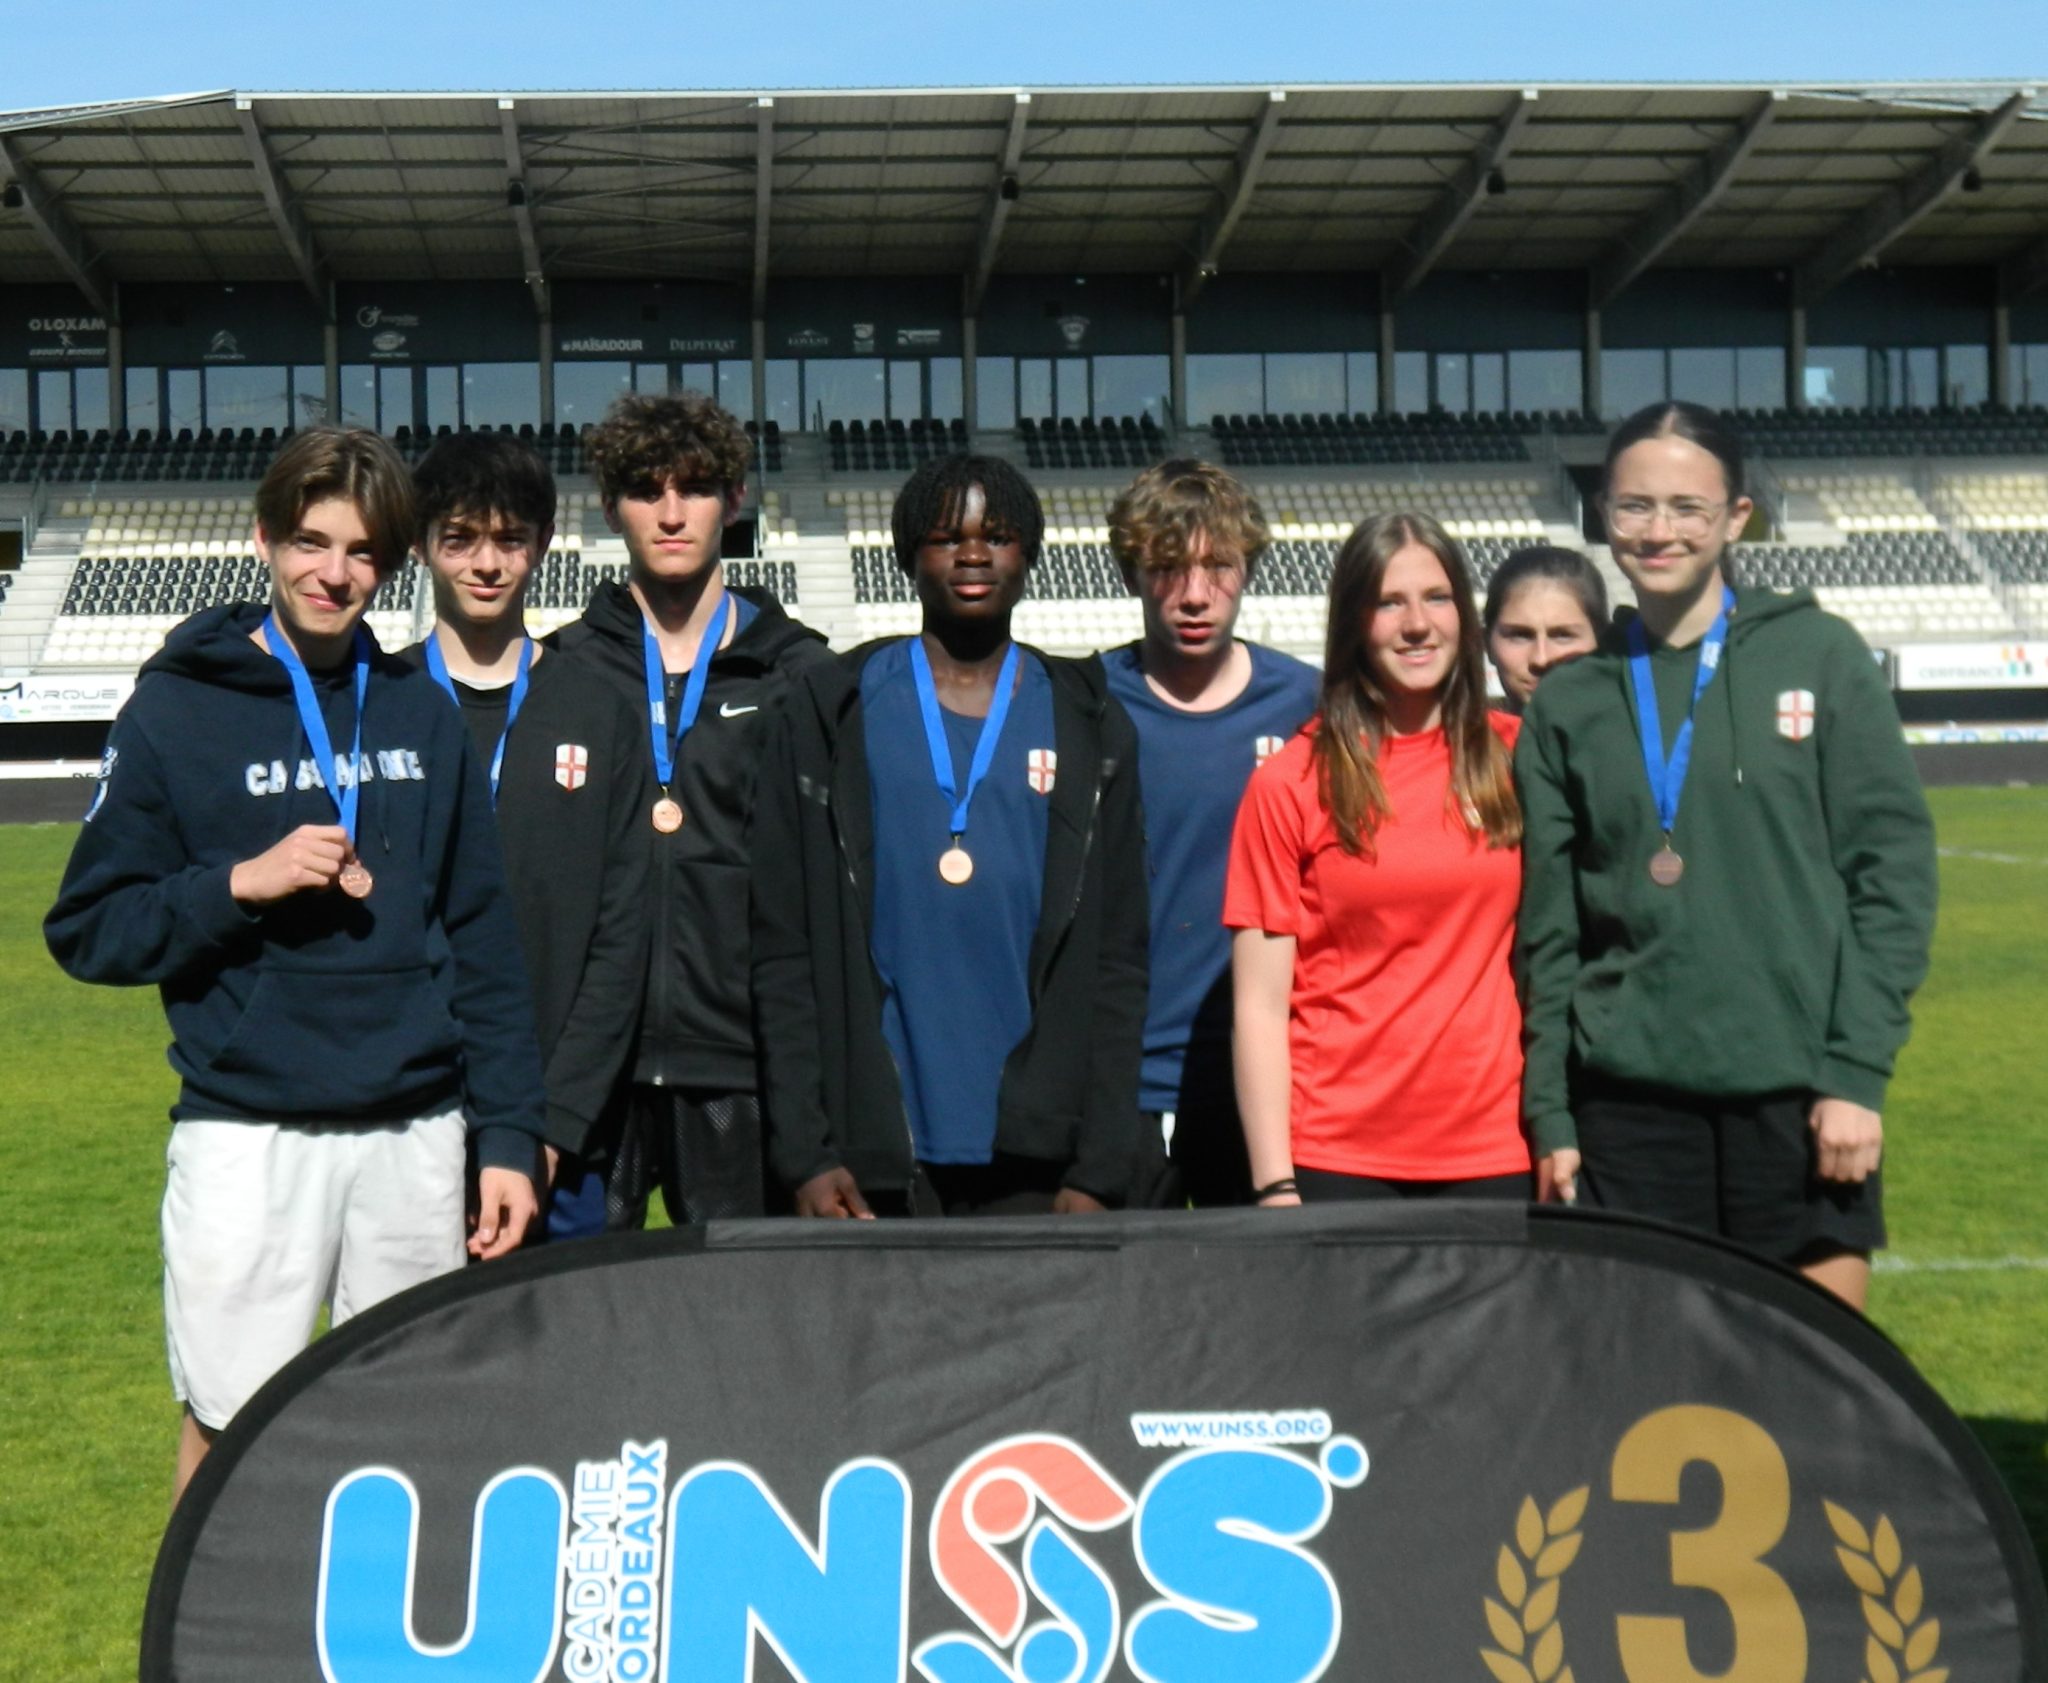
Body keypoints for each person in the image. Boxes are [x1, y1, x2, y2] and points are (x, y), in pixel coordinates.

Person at [44, 428, 545, 1500]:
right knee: (229, 1433)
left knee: (410, 1436)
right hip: (249, 1130)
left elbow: (484, 936)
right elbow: (89, 926)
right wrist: (238, 884)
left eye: (361, 552)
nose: (333, 573)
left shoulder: (418, 708)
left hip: (415, 1131)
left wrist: (506, 1133)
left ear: (390, 565)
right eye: (312, 543)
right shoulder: (178, 707)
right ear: (266, 539)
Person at [1514, 401, 1937, 1309]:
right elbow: (1548, 933)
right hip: (1626, 1109)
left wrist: (1857, 1076)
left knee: (1811, 1378)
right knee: (1644, 1382)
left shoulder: (1820, 655)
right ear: (1603, 512)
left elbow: (1892, 878)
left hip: (1801, 1098)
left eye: (1687, 507)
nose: (1658, 530)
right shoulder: (1570, 702)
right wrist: (1551, 1109)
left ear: (1737, 517)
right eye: (1634, 505)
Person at [752, 454, 1147, 1218]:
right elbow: (784, 948)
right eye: (946, 537)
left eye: (996, 536)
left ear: (1028, 554)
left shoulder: (1090, 724)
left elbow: (1118, 961)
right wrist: (806, 1150)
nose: (972, 554)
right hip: (871, 1157)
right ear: (907, 555)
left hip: (1040, 1159)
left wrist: (1099, 1166)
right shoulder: (831, 710)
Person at [551, 390, 830, 1228]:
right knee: (584, 1302)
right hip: (595, 1071)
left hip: (737, 1064)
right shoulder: (563, 670)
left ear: (734, 500)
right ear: (611, 509)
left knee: (740, 1305)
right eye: (646, 491)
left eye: (696, 488)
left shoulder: (799, 674)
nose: (671, 514)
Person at [1225, 511, 1531, 1206]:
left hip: (1495, 1146)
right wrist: (1274, 1182)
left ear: (1464, 614)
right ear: (1353, 623)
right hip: (1336, 1151)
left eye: (1436, 597)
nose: (1417, 624)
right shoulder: (1291, 782)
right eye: (1389, 602)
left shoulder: (1519, 759)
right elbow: (1260, 1007)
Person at [398, 431, 650, 1239]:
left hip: (562, 1140)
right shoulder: (379, 704)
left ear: (542, 543)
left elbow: (622, 940)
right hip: (407, 1125)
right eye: (460, 538)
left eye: (509, 539)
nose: (486, 563)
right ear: (420, 545)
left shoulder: (598, 710)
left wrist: (554, 1123)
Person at [1102, 459, 1318, 1205]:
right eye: (1168, 566)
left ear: (1248, 567)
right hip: (1121, 1081)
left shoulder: (1307, 705)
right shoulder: (1086, 704)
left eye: (1218, 565)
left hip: (1268, 1077)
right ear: (1130, 573)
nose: (1194, 594)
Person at [1482, 544, 1609, 712]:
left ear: (1603, 642)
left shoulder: (1636, 726)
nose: (1541, 659)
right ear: (1487, 644)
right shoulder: (1461, 730)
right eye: (1520, 636)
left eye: (1562, 636)